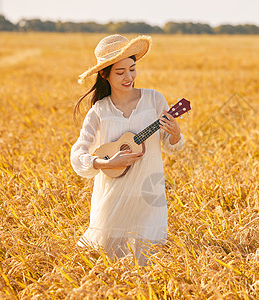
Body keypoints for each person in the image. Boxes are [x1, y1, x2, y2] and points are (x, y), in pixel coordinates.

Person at [71, 34, 184, 265]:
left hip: (149, 196)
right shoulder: (99, 111)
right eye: (120, 72)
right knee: (109, 266)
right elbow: (78, 153)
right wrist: (106, 163)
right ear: (105, 74)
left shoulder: (154, 100)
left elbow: (173, 146)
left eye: (132, 69)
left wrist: (175, 133)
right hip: (113, 199)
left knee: (150, 265)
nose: (129, 77)